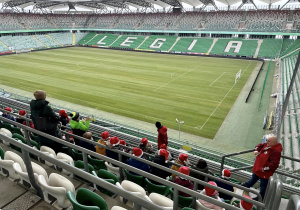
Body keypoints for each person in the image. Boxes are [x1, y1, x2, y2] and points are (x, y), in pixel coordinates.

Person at [242, 135, 282, 200]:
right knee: (253, 179)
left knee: (263, 186)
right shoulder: (268, 145)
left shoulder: (276, 152)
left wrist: (264, 169)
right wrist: (256, 150)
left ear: (274, 143)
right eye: (267, 140)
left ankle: (260, 198)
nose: (267, 142)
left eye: (269, 141)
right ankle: (246, 185)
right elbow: (259, 145)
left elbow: (274, 165)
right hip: (258, 170)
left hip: (264, 173)